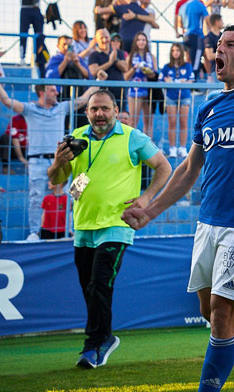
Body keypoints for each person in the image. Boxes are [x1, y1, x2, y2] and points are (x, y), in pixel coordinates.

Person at [123, 25, 234, 391]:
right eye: (218, 44)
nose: (219, 49)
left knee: (220, 313)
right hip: (208, 221)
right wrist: (150, 211)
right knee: (212, 313)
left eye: (230, 44)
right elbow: (188, 169)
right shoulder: (208, 106)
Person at [47, 88, 170, 369]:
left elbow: (164, 167)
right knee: (89, 288)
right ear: (86, 112)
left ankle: (93, 345)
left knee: (100, 283)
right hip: (83, 225)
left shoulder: (132, 137)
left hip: (117, 224)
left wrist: (146, 197)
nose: (99, 114)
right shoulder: (76, 138)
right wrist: (58, 162)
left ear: (115, 110)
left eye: (104, 109)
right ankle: (105, 337)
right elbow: (55, 180)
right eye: (94, 109)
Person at [0, 72, 101, 241]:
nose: (56, 93)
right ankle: (35, 232)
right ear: (42, 92)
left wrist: (99, 80)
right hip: (37, 160)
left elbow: (83, 99)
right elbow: (7, 102)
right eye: (52, 90)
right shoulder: (30, 108)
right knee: (36, 198)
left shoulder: (61, 107)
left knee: (69, 195)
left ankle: (66, 231)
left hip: (60, 158)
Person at [159, 43, 194, 159]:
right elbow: (160, 80)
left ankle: (183, 148)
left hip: (184, 96)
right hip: (171, 97)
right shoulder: (166, 67)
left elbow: (192, 80)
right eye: (173, 50)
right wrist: (166, 81)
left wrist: (183, 83)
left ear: (181, 52)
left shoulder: (188, 66)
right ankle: (172, 148)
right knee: (172, 122)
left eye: (178, 50)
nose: (175, 53)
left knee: (184, 123)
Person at [124, 32, 157, 138]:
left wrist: (149, 72)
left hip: (149, 90)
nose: (141, 42)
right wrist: (134, 68)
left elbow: (155, 75)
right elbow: (126, 77)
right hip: (134, 90)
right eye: (139, 40)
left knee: (148, 120)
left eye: (143, 40)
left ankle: (148, 145)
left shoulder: (151, 57)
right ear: (135, 42)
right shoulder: (130, 56)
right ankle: (130, 143)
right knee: (133, 119)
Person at [89, 29, 129, 111]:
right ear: (96, 40)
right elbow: (93, 71)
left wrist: (116, 60)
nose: (104, 40)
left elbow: (125, 68)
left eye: (106, 37)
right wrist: (110, 62)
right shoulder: (94, 55)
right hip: (102, 94)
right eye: (101, 38)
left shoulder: (118, 53)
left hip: (119, 93)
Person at [180, 0, 210, 78]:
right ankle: (194, 85)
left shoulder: (182, 6)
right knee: (195, 64)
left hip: (185, 36)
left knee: (188, 61)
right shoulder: (200, 5)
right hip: (196, 37)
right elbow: (208, 20)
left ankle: (187, 80)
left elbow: (180, 23)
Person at [19, 0, 44, 65]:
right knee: (23, 35)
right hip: (25, 8)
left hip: (36, 8)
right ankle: (22, 58)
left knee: (39, 36)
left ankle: (38, 58)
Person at [203, 14, 224, 82]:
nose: (223, 23)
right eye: (221, 21)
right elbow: (209, 56)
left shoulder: (223, 35)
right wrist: (225, 53)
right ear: (217, 22)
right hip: (216, 71)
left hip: (226, 69)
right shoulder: (208, 38)